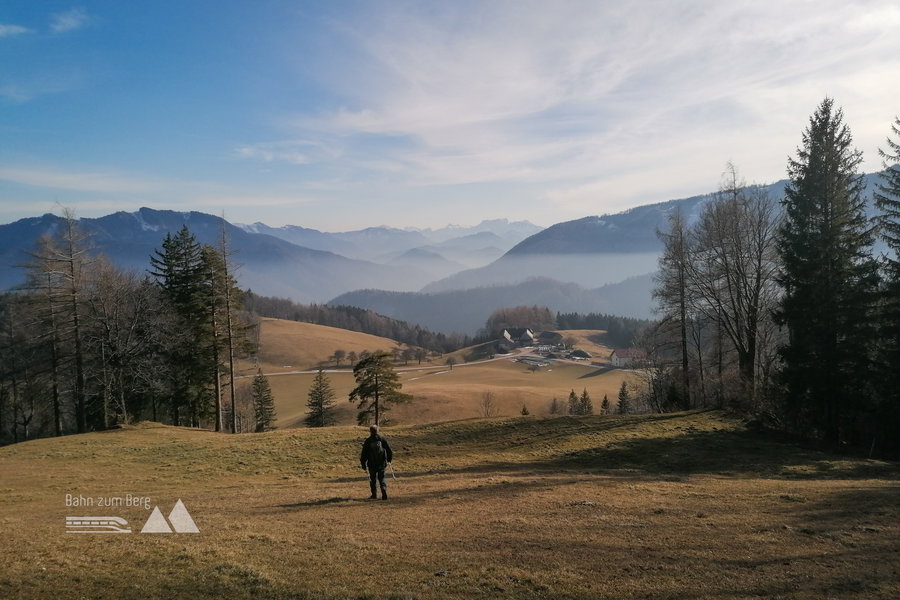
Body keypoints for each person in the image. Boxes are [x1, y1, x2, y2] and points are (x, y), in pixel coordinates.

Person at [360, 424, 393, 500]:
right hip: (381, 463)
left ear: (370, 431)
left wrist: (363, 464)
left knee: (373, 479)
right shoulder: (382, 439)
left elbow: (364, 453)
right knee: (381, 478)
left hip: (372, 464)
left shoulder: (368, 441)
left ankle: (374, 494)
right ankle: (383, 488)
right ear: (377, 430)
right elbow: (388, 450)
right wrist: (389, 459)